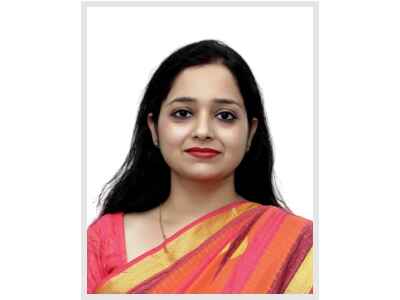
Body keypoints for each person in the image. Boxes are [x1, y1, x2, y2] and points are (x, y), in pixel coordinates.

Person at [87, 40, 313, 294]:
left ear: (250, 132)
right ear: (153, 128)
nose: (203, 131)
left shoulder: (293, 245)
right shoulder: (102, 240)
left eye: (225, 116)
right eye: (183, 113)